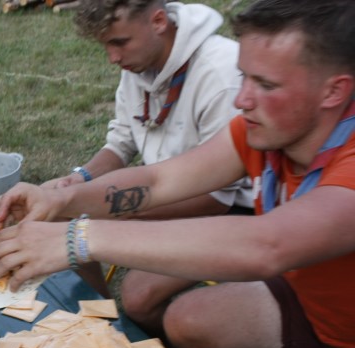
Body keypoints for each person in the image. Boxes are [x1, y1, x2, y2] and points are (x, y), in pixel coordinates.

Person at [0, 0, 355, 348]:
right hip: (318, 306)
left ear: (334, 91)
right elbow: (160, 181)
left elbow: (267, 245)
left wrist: (77, 238)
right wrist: (63, 199)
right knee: (188, 319)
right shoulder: (266, 130)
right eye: (244, 77)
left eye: (266, 84)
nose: (243, 99)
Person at [41, 0, 252, 323]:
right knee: (62, 211)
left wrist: (115, 209)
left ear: (158, 22)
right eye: (106, 46)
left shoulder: (220, 74)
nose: (113, 58)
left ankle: (150, 347)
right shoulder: (141, 62)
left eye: (119, 42)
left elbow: (217, 198)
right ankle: (100, 323)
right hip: (166, 188)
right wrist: (79, 179)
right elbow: (121, 141)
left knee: (138, 296)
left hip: (234, 209)